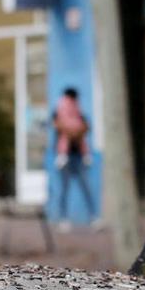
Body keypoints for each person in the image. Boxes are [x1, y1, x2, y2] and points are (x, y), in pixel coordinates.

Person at [53, 88, 96, 230]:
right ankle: (64, 218)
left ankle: (93, 217)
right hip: (65, 156)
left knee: (85, 187)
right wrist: (74, 132)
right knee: (65, 188)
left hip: (78, 155)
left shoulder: (78, 112)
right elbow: (60, 127)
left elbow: (85, 127)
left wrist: (74, 132)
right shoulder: (59, 111)